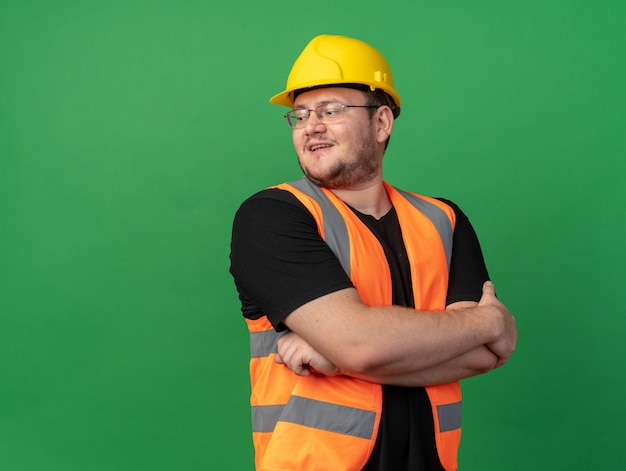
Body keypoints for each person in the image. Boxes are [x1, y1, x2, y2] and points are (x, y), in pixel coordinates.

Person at [229, 34, 517, 471]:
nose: (311, 126)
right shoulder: (272, 216)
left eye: (331, 110)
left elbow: (484, 355)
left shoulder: (444, 220)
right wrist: (486, 320)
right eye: (301, 115)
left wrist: (336, 359)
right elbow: (360, 344)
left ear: (382, 123)